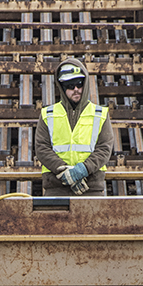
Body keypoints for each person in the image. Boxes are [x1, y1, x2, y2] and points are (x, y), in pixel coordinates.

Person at [35, 58, 114, 197]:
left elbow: (104, 148)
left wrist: (83, 169)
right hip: (56, 188)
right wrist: (64, 172)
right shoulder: (48, 114)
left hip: (90, 187)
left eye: (79, 84)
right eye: (70, 86)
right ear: (62, 88)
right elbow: (42, 147)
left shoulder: (100, 114)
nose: (76, 89)